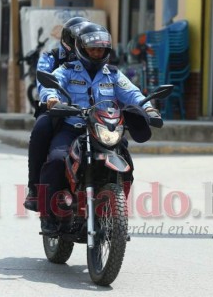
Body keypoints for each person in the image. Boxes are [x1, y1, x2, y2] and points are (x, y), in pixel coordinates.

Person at [38, 23, 159, 235]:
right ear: (81, 49)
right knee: (56, 160)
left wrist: (148, 107)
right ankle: (48, 214)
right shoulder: (67, 70)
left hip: (104, 129)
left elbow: (132, 93)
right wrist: (52, 98)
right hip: (73, 128)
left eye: (101, 49)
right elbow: (51, 84)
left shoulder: (112, 74)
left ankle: (115, 210)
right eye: (93, 49)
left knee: (127, 164)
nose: (97, 53)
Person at [23, 16, 89, 212]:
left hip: (87, 113)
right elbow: (45, 81)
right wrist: (52, 98)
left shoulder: (92, 58)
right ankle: (35, 189)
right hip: (54, 109)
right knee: (40, 130)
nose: (81, 46)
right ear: (67, 41)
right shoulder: (51, 57)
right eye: (77, 42)